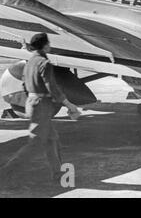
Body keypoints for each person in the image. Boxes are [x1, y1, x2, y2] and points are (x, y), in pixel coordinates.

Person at [0, 33, 81, 185]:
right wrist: (69, 105)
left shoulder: (30, 61)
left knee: (52, 139)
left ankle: (58, 174)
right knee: (35, 143)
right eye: (48, 44)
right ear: (44, 46)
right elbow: (52, 88)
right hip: (41, 104)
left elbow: (25, 83)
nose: (50, 46)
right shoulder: (44, 63)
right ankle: (4, 174)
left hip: (33, 102)